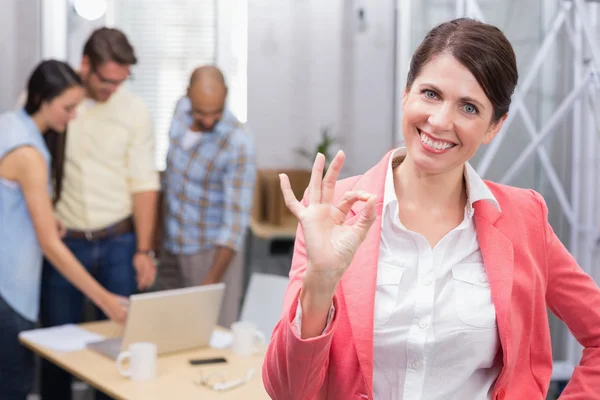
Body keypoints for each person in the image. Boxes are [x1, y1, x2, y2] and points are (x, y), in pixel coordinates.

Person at [262, 18, 600, 400]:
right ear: (406, 94)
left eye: (469, 108)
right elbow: (287, 392)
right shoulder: (333, 212)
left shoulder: (526, 220)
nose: (440, 122)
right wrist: (320, 283)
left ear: (495, 126)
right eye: (431, 94)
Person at [39, 28, 160, 400]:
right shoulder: (55, 102)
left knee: (120, 342)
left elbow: (144, 184)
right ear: (85, 64)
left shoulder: (134, 111)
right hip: (65, 242)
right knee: (58, 344)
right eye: (106, 80)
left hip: (119, 243)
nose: (112, 90)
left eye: (120, 82)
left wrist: (143, 249)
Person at [0, 60, 128, 400]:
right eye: (68, 107)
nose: (73, 116)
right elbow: (50, 245)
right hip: (9, 290)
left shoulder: (9, 126)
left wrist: (39, 212)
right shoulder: (30, 154)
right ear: (42, 97)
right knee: (14, 386)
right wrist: (106, 300)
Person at [159, 65, 256, 327]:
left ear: (226, 94)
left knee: (213, 334)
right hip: (173, 243)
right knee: (173, 330)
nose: (209, 120)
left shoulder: (238, 142)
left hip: (211, 253)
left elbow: (235, 223)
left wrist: (212, 279)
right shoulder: (180, 111)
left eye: (216, 112)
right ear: (188, 95)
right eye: (202, 112)